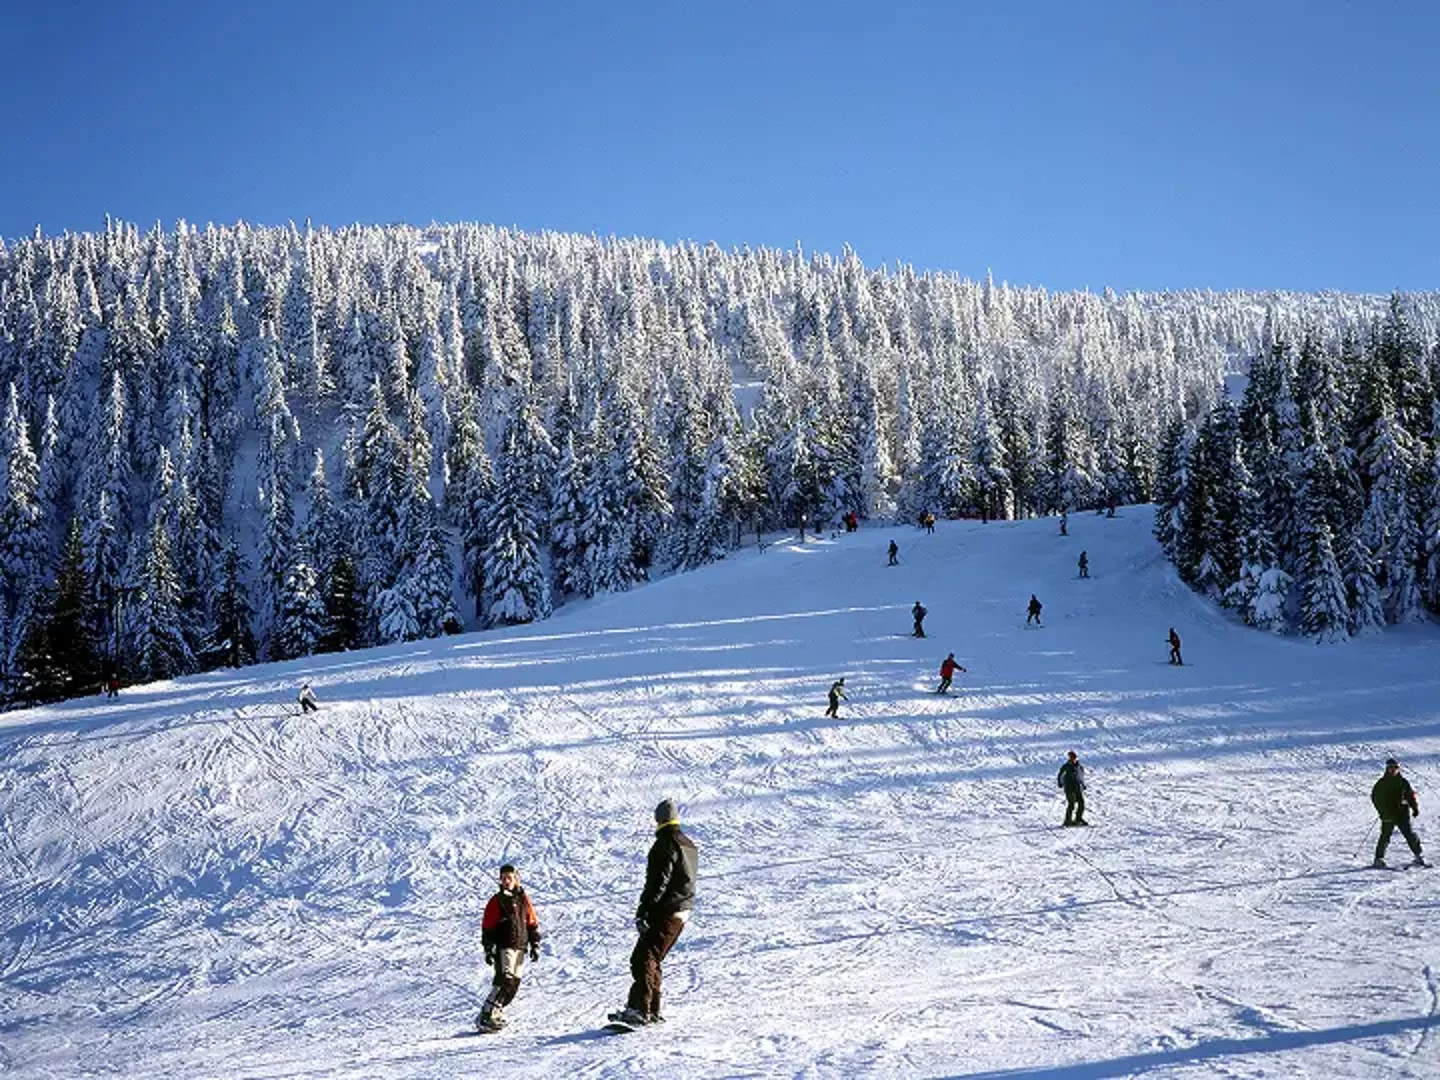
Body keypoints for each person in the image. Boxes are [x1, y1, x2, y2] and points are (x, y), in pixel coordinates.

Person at [611, 800, 698, 1027]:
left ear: (658, 819)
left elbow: (657, 882)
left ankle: (640, 1010)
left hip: (666, 910)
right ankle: (651, 1010)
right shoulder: (688, 844)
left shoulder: (665, 844)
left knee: (642, 958)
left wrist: (644, 911)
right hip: (682, 910)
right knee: (653, 959)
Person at [476, 863, 542, 1031]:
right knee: (505, 980)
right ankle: (486, 1014)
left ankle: (495, 1013)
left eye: (509, 878)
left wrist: (535, 944)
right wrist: (488, 948)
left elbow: (531, 922)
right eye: (503, 878)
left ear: (516, 879)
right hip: (504, 945)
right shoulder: (498, 900)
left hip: (520, 945)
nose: (506, 881)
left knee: (513, 986)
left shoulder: (523, 899)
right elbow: (488, 926)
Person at [1372, 758, 1426, 868]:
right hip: (1388, 814)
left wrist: (1414, 808)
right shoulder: (1382, 783)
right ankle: (1378, 859)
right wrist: (1382, 811)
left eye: (1395, 768)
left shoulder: (1403, 782)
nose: (1393, 770)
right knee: (1385, 836)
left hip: (1402, 814)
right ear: (1387, 769)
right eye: (1391, 768)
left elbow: (1410, 796)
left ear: (1398, 769)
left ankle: (1419, 856)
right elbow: (1375, 797)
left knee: (1409, 834)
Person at [1058, 750, 1088, 826]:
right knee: (1072, 803)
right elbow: (1060, 775)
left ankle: (1078, 818)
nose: (1073, 759)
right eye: (1071, 758)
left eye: (1074, 758)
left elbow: (1081, 776)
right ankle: (1067, 821)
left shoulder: (1079, 767)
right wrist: (1060, 783)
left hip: (1078, 787)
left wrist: (1083, 784)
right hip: (1069, 788)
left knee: (1081, 803)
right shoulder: (1066, 766)